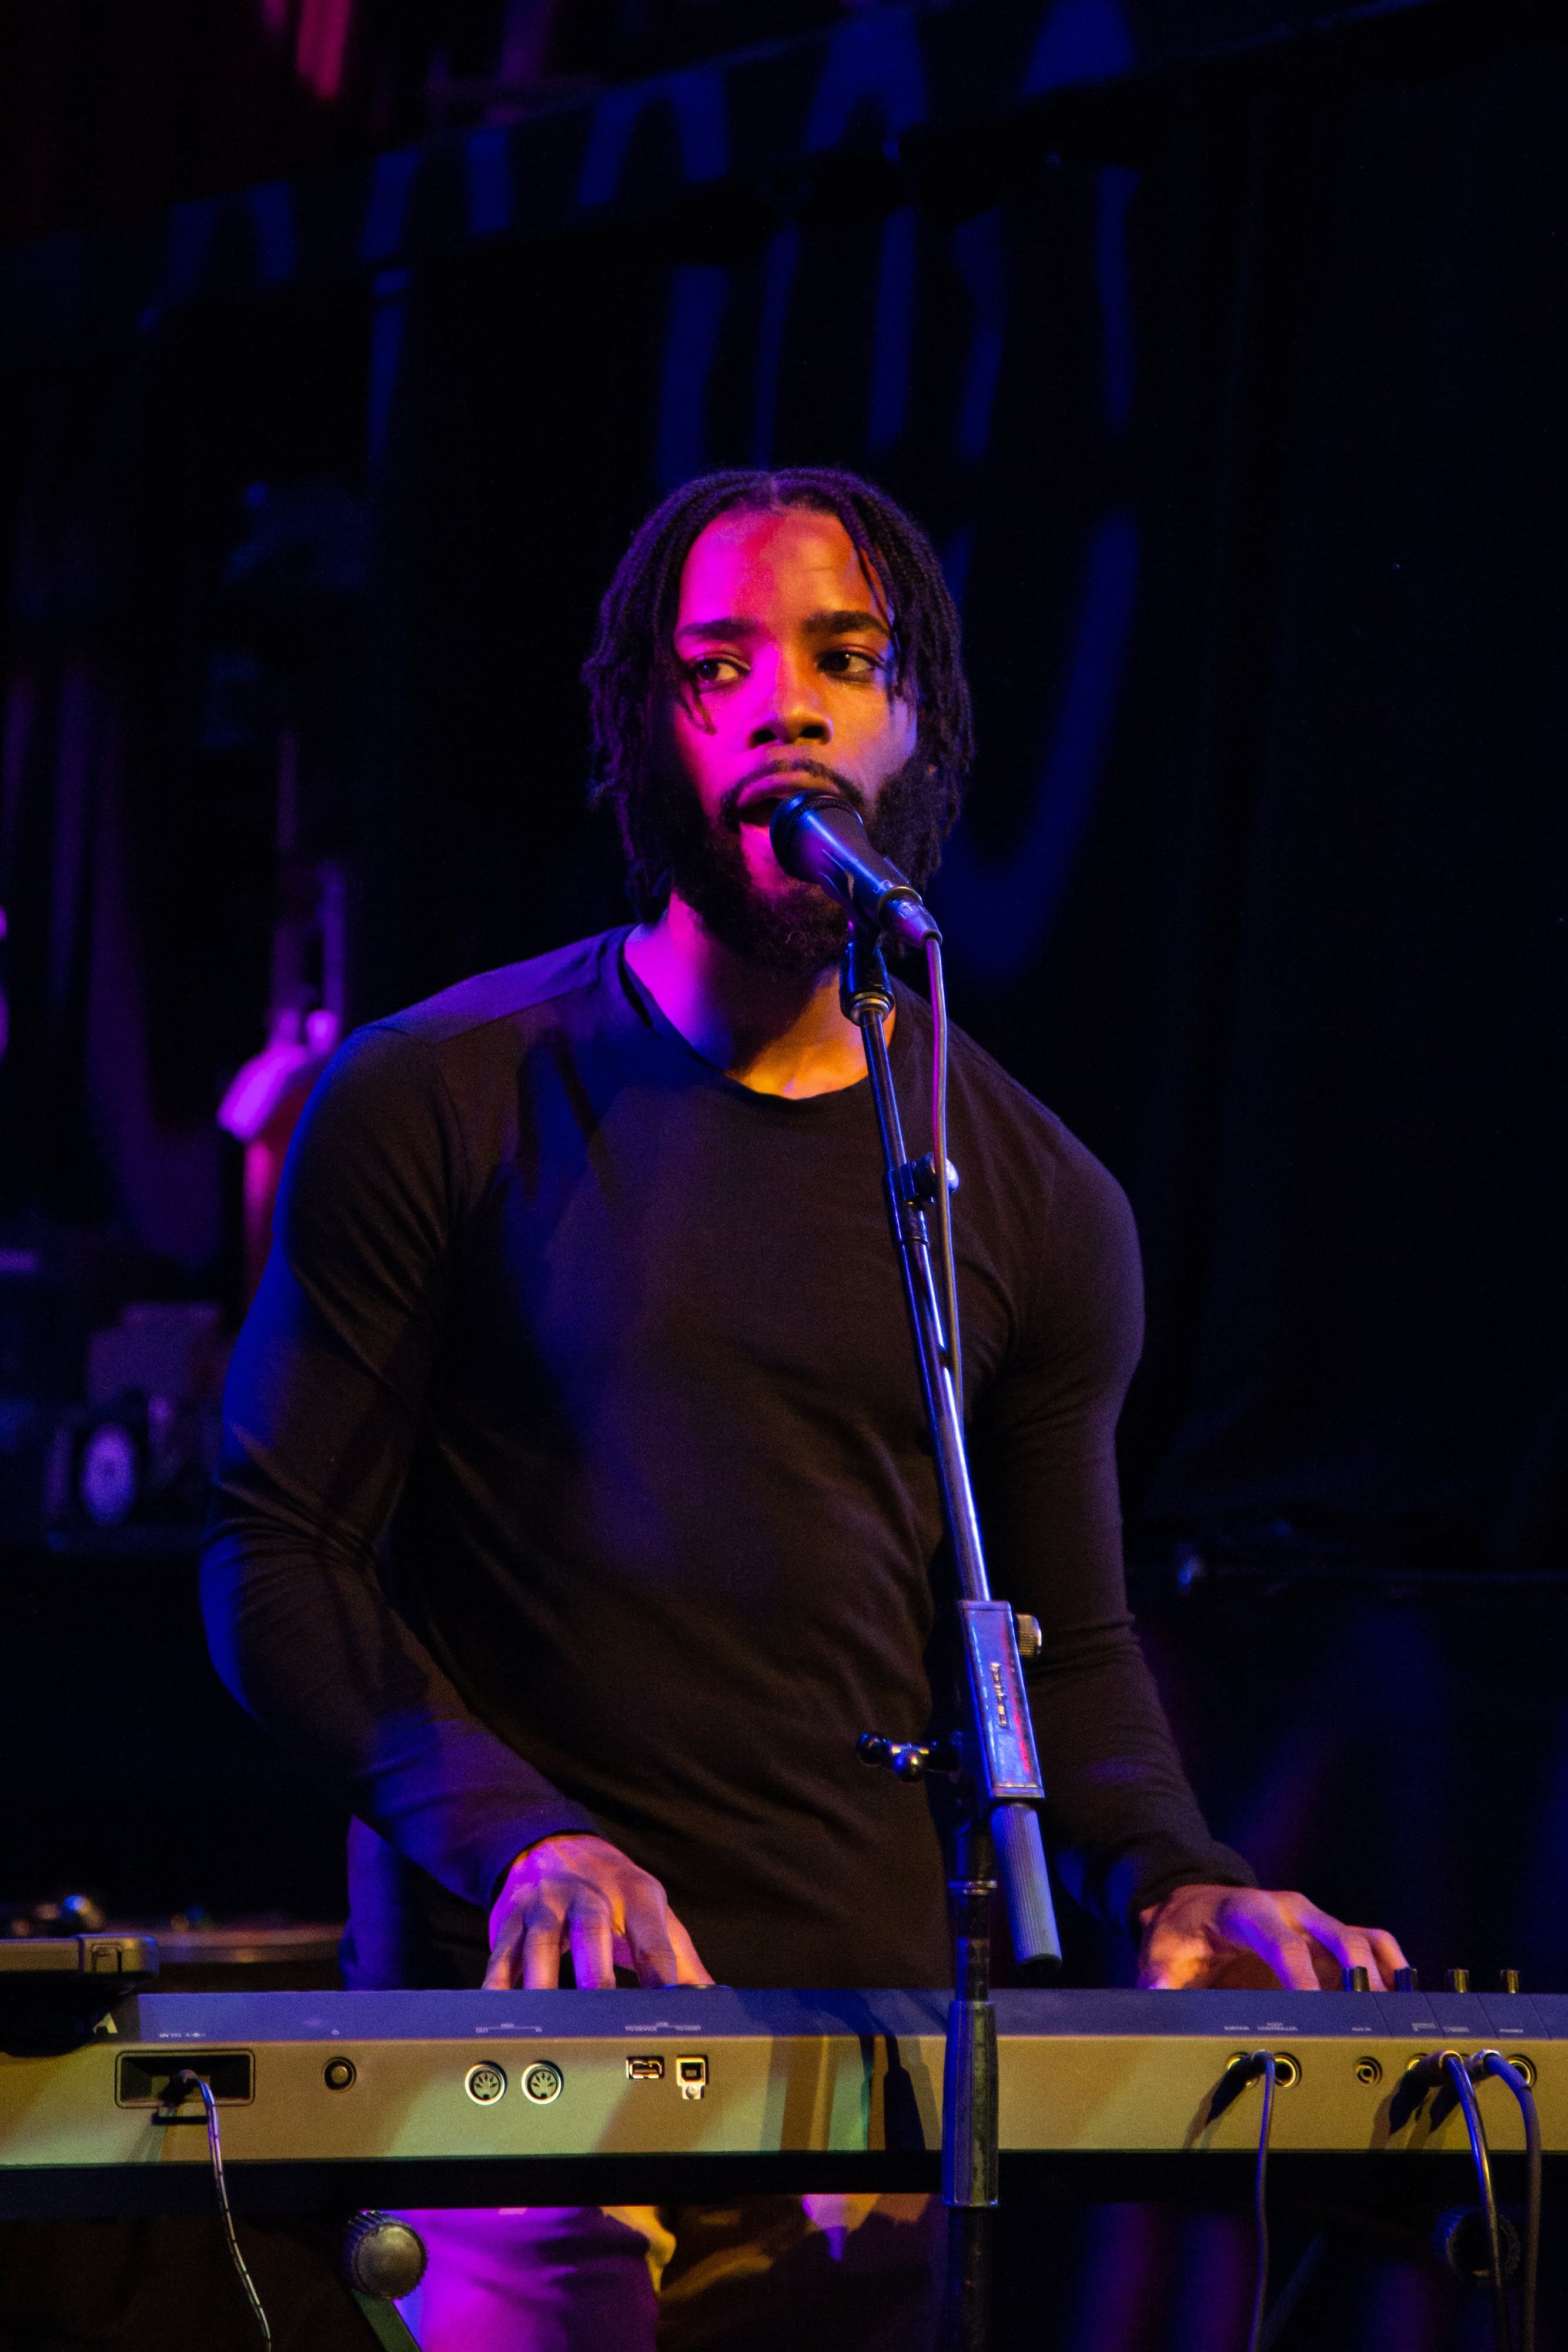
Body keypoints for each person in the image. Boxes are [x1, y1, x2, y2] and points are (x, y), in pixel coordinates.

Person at [202, 467, 1405, 2349]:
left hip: (865, 2091)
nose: (787, 709)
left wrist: (1182, 1880)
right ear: (644, 729)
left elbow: (1058, 1648)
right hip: (519, 2065)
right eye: (718, 669)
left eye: (846, 659)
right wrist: (522, 1840)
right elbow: (273, 1553)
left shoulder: (1028, 1198)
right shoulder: (438, 1098)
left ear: (921, 727)